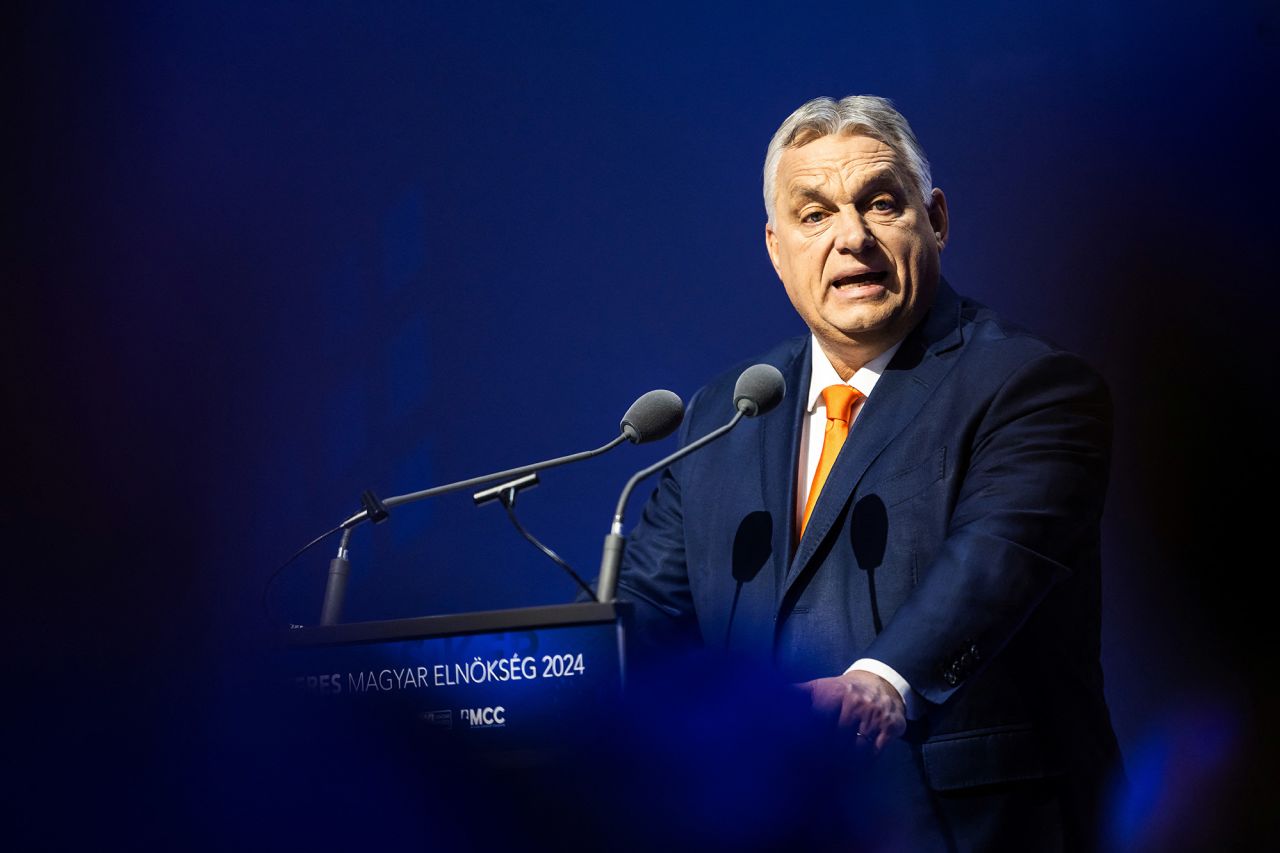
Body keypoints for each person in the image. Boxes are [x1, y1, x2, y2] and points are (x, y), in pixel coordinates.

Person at [615, 95, 1122, 850]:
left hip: (967, 829)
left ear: (936, 219)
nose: (852, 238)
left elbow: (990, 565)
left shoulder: (1031, 386)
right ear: (775, 249)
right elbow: (644, 626)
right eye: (814, 215)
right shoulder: (731, 411)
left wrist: (880, 681)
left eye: (881, 204)